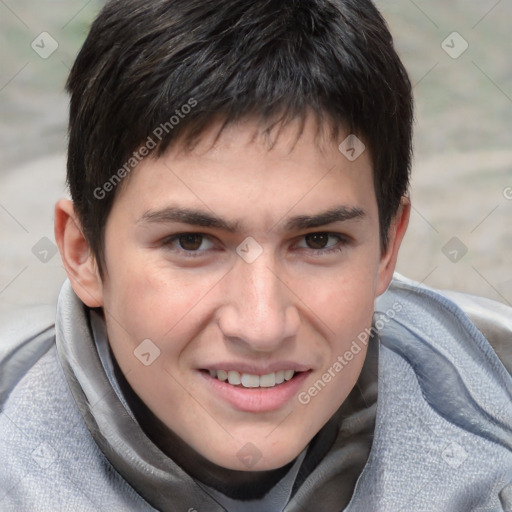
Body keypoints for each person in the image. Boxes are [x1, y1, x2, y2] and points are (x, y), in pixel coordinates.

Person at [1, 0, 512, 510]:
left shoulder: (490, 443)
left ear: (387, 249)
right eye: (191, 242)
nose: (262, 326)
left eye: (318, 241)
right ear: (83, 252)